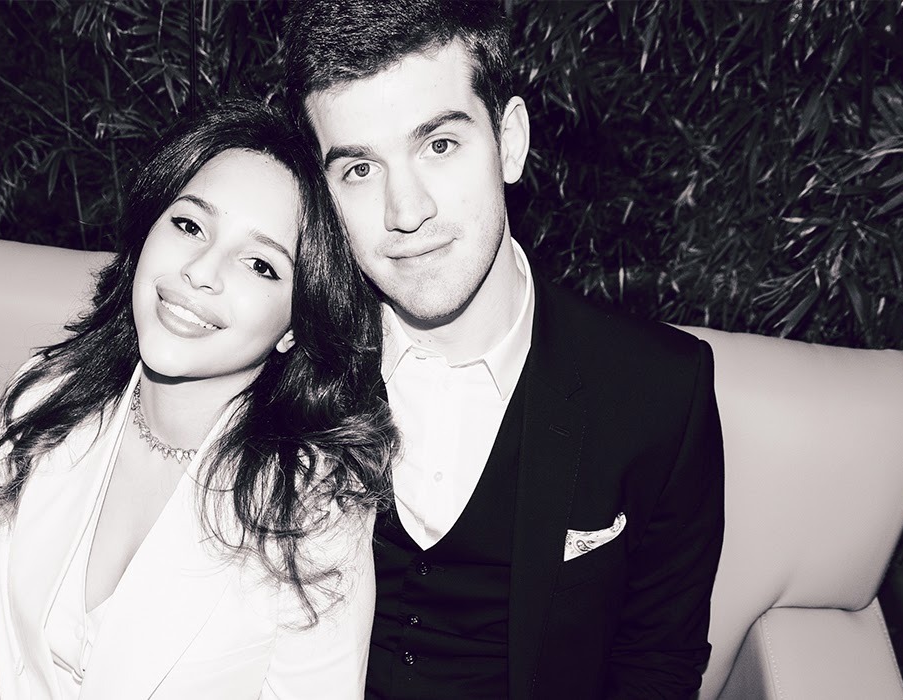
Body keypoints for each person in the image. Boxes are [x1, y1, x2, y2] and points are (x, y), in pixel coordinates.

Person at [281, 2, 725, 698]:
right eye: (360, 169)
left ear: (508, 142)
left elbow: (657, 661)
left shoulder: (661, 392)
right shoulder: (286, 356)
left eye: (439, 145)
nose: (406, 212)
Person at [0, 98, 398, 699]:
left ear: (295, 325)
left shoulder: (314, 509)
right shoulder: (43, 398)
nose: (201, 271)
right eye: (190, 226)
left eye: (261, 265)